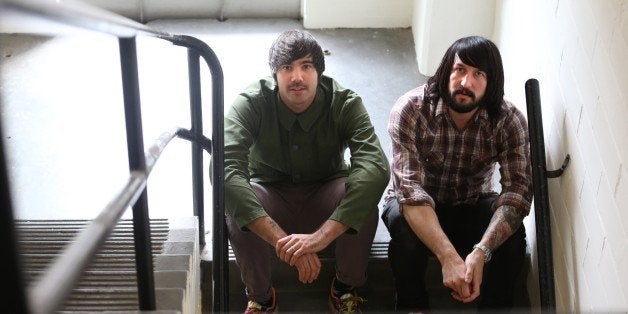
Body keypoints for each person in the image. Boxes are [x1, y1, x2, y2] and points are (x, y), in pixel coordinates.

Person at [224, 29, 390, 313]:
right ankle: (261, 299)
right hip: (270, 194)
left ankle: (344, 289)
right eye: (287, 68)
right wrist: (288, 245)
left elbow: (374, 167)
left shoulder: (346, 102)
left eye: (306, 66)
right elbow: (226, 168)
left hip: (325, 193)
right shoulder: (250, 102)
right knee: (239, 206)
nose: (297, 77)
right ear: (275, 74)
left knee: (362, 199)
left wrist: (319, 238)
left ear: (319, 72)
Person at [381, 35, 533, 311]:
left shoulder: (508, 120)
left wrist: (482, 251)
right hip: (418, 206)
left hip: (471, 202)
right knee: (403, 233)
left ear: (491, 83)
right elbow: (410, 191)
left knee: (512, 239)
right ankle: (412, 306)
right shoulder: (411, 109)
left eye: (478, 74)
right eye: (459, 69)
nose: (465, 83)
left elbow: (517, 193)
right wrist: (449, 257)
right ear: (445, 72)